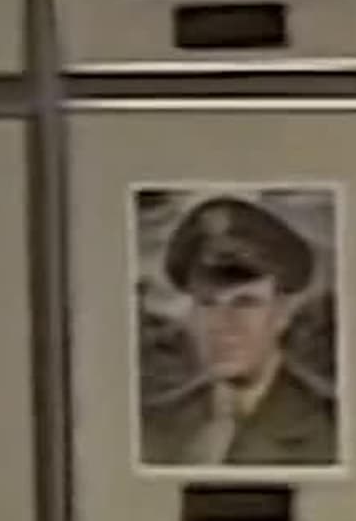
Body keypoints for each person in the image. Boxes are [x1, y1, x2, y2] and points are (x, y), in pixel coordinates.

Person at [141, 195, 337, 467]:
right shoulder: (155, 423)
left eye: (245, 303)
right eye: (208, 304)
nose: (223, 324)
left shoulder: (332, 427)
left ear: (282, 314)